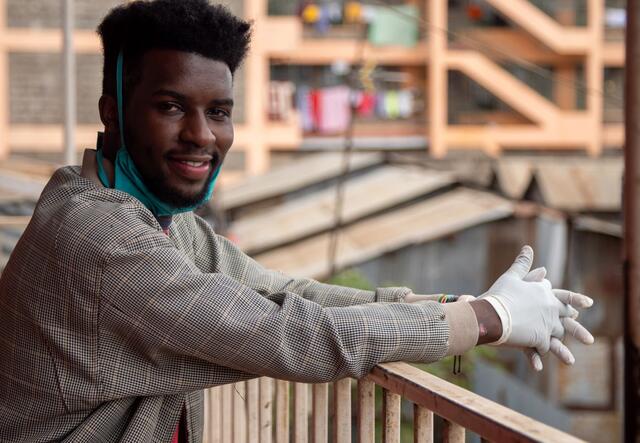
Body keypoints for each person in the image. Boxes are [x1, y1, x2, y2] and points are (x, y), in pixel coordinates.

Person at [0, 1, 594, 442]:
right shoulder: (97, 239)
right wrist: (491, 320)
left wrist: (454, 303)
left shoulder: (159, 222)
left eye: (220, 112)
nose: (201, 136)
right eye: (171, 107)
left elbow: (286, 295)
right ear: (112, 114)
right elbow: (289, 336)